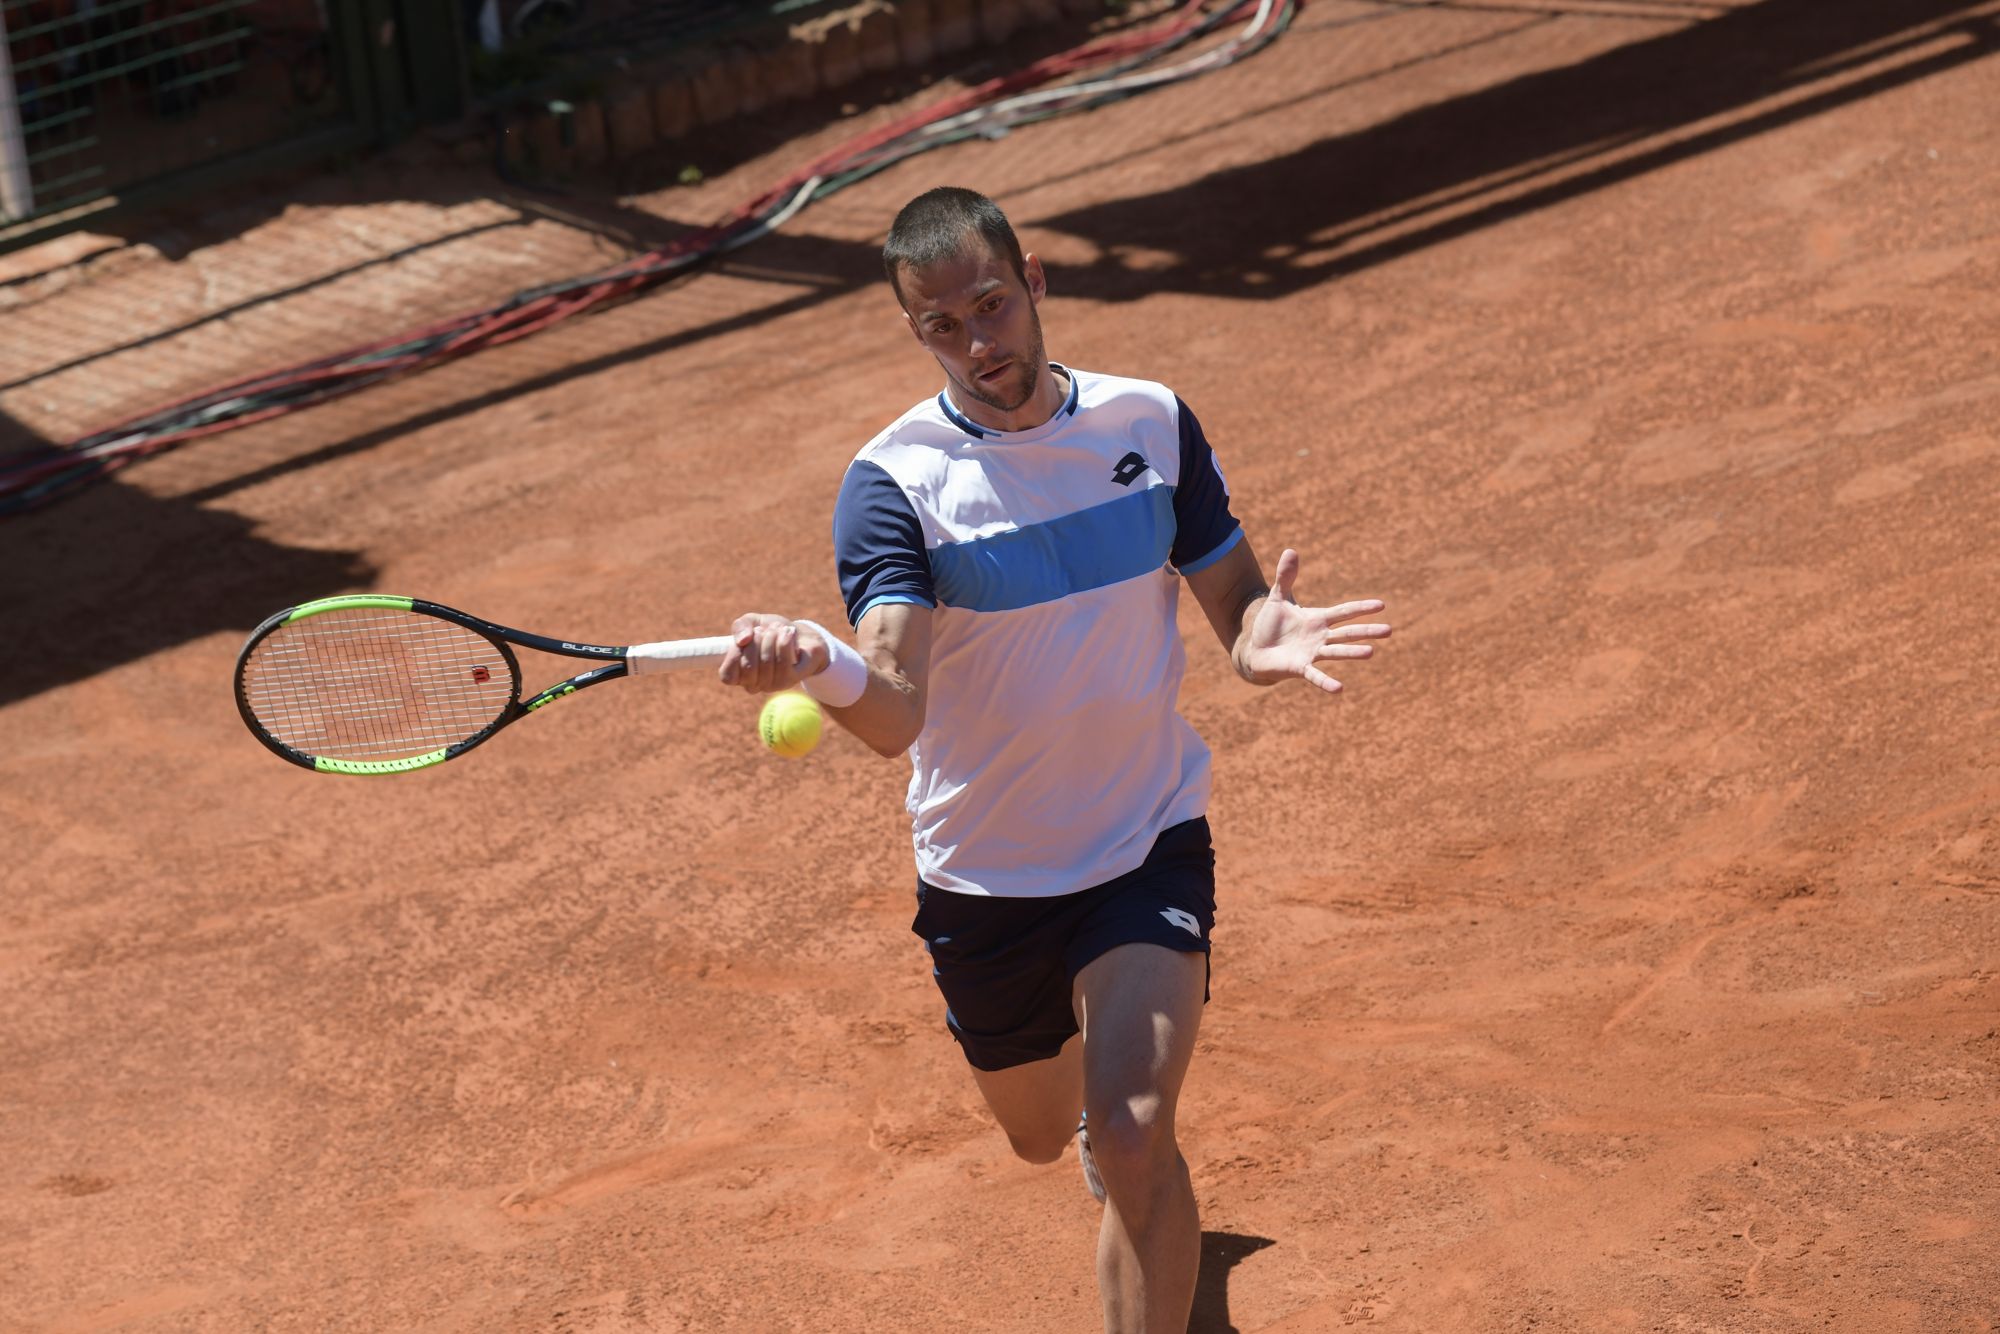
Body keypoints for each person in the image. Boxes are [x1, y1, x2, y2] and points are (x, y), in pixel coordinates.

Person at [718, 186, 1390, 1333]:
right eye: (943, 326)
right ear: (915, 333)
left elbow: (1230, 601)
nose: (979, 345)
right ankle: (1085, 1131)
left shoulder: (1148, 422)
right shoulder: (893, 485)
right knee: (1042, 1133)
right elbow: (890, 714)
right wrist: (819, 665)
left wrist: (1258, 636)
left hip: (1144, 841)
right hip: (986, 881)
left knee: (1132, 1129)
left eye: (990, 305)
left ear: (1033, 281)